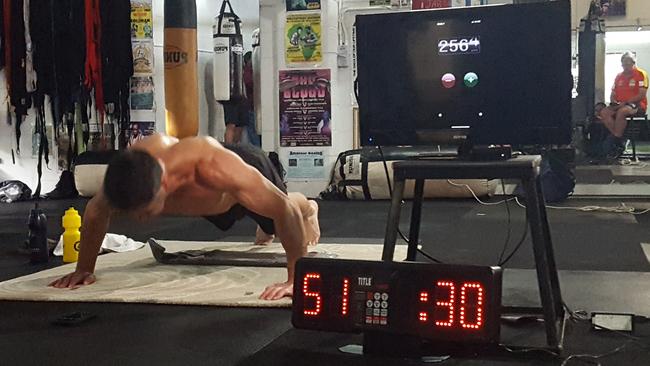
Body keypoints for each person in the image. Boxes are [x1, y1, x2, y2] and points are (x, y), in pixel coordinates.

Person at [49, 133, 321, 300]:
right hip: (208, 202)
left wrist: (295, 279)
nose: (141, 220)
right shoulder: (130, 174)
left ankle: (309, 207)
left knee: (281, 213)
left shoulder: (214, 167)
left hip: (241, 174)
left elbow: (283, 207)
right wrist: (84, 268)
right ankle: (265, 229)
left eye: (145, 211)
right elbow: (97, 211)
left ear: (164, 186)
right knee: (264, 226)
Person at [599, 52, 648, 157]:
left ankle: (615, 139)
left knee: (622, 112)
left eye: (628, 64)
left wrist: (625, 103)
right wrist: (613, 101)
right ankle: (619, 139)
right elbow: (613, 92)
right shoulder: (619, 76)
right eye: (624, 64)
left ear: (633, 63)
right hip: (620, 104)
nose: (626, 67)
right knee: (604, 112)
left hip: (636, 105)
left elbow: (641, 94)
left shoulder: (641, 74)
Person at [243, 51, 260, 147]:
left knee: (253, 131)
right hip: (251, 106)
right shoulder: (248, 72)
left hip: (253, 105)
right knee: (253, 131)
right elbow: (250, 84)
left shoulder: (248, 71)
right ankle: (257, 150)